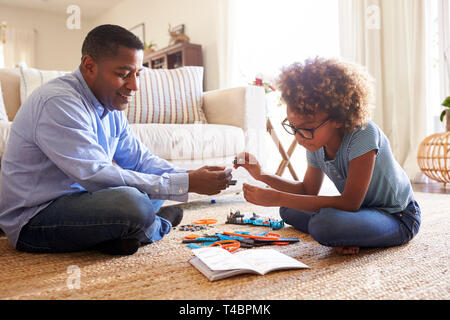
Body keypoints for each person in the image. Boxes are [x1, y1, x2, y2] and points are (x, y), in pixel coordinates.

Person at [0, 24, 232, 255]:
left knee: (154, 184)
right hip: (34, 220)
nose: (134, 86)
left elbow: (140, 160)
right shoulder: (58, 102)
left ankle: (120, 235)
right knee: (134, 203)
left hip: (84, 202)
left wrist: (187, 176)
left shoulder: (110, 106)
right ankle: (159, 225)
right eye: (123, 74)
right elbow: (97, 176)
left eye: (138, 74)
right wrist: (184, 184)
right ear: (89, 66)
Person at [234, 57, 421, 255]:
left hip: (397, 216)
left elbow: (350, 203)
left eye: (306, 129)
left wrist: (279, 197)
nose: (299, 138)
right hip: (359, 212)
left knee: (323, 224)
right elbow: (307, 189)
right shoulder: (315, 142)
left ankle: (344, 231)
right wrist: (261, 174)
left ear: (339, 118)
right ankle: (348, 231)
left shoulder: (364, 134)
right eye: (293, 128)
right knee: (288, 210)